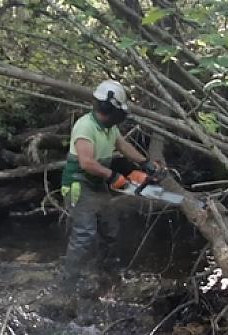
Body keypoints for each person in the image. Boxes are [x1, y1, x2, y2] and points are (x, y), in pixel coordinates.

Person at [59, 79, 162, 298]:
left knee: (109, 228)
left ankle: (107, 273)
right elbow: (86, 162)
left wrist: (145, 164)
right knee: (84, 234)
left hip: (97, 183)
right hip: (79, 184)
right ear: (110, 109)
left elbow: (123, 146)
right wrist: (114, 176)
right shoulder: (85, 126)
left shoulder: (109, 128)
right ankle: (68, 283)